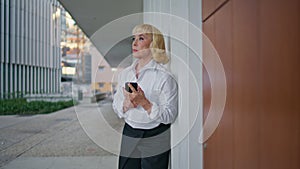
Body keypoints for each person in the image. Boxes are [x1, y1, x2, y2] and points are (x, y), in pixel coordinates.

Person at [113, 24, 178, 169]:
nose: (134, 43)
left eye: (141, 38)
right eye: (134, 38)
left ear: (153, 44)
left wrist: (145, 103)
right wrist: (126, 104)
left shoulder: (165, 77)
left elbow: (170, 116)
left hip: (156, 136)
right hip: (130, 131)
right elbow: (116, 106)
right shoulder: (125, 74)